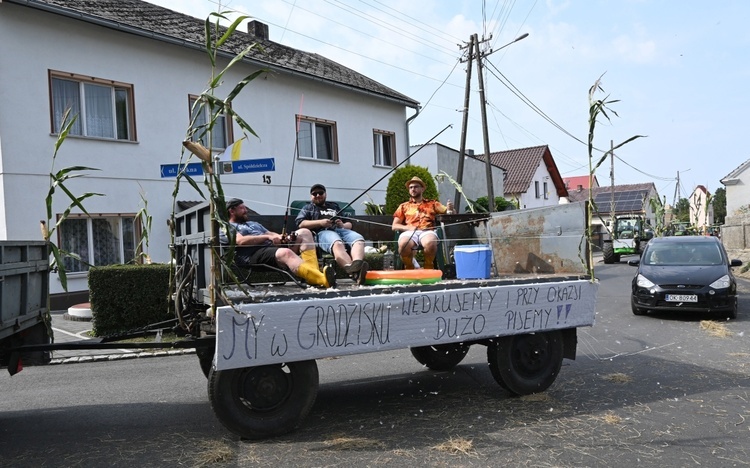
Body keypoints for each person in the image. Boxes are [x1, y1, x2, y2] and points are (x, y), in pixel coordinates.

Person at [223, 198, 335, 288]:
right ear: (232, 211)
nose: (246, 210)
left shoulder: (253, 223)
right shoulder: (227, 227)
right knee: (285, 253)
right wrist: (267, 237)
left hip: (272, 249)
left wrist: (280, 237)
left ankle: (313, 276)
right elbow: (240, 241)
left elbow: (270, 233)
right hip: (252, 255)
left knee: (304, 232)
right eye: (242, 208)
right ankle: (322, 279)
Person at [295, 184, 369, 284]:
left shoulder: (334, 207)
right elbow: (300, 223)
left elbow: (349, 224)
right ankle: (354, 272)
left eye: (320, 193)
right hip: (322, 232)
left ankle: (356, 265)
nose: (317, 195)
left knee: (358, 239)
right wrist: (320, 223)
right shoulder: (308, 208)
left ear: (325, 194)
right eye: (314, 193)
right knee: (337, 242)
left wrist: (342, 225)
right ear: (311, 196)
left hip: (340, 230)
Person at [392, 176, 454, 270]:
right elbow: (394, 226)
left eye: (416, 187)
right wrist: (408, 228)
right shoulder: (403, 206)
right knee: (403, 244)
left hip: (427, 230)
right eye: (411, 187)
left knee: (430, 242)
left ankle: (428, 267)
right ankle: (409, 267)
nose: (413, 189)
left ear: (422, 189)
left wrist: (450, 209)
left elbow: (450, 213)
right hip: (410, 232)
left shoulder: (432, 203)